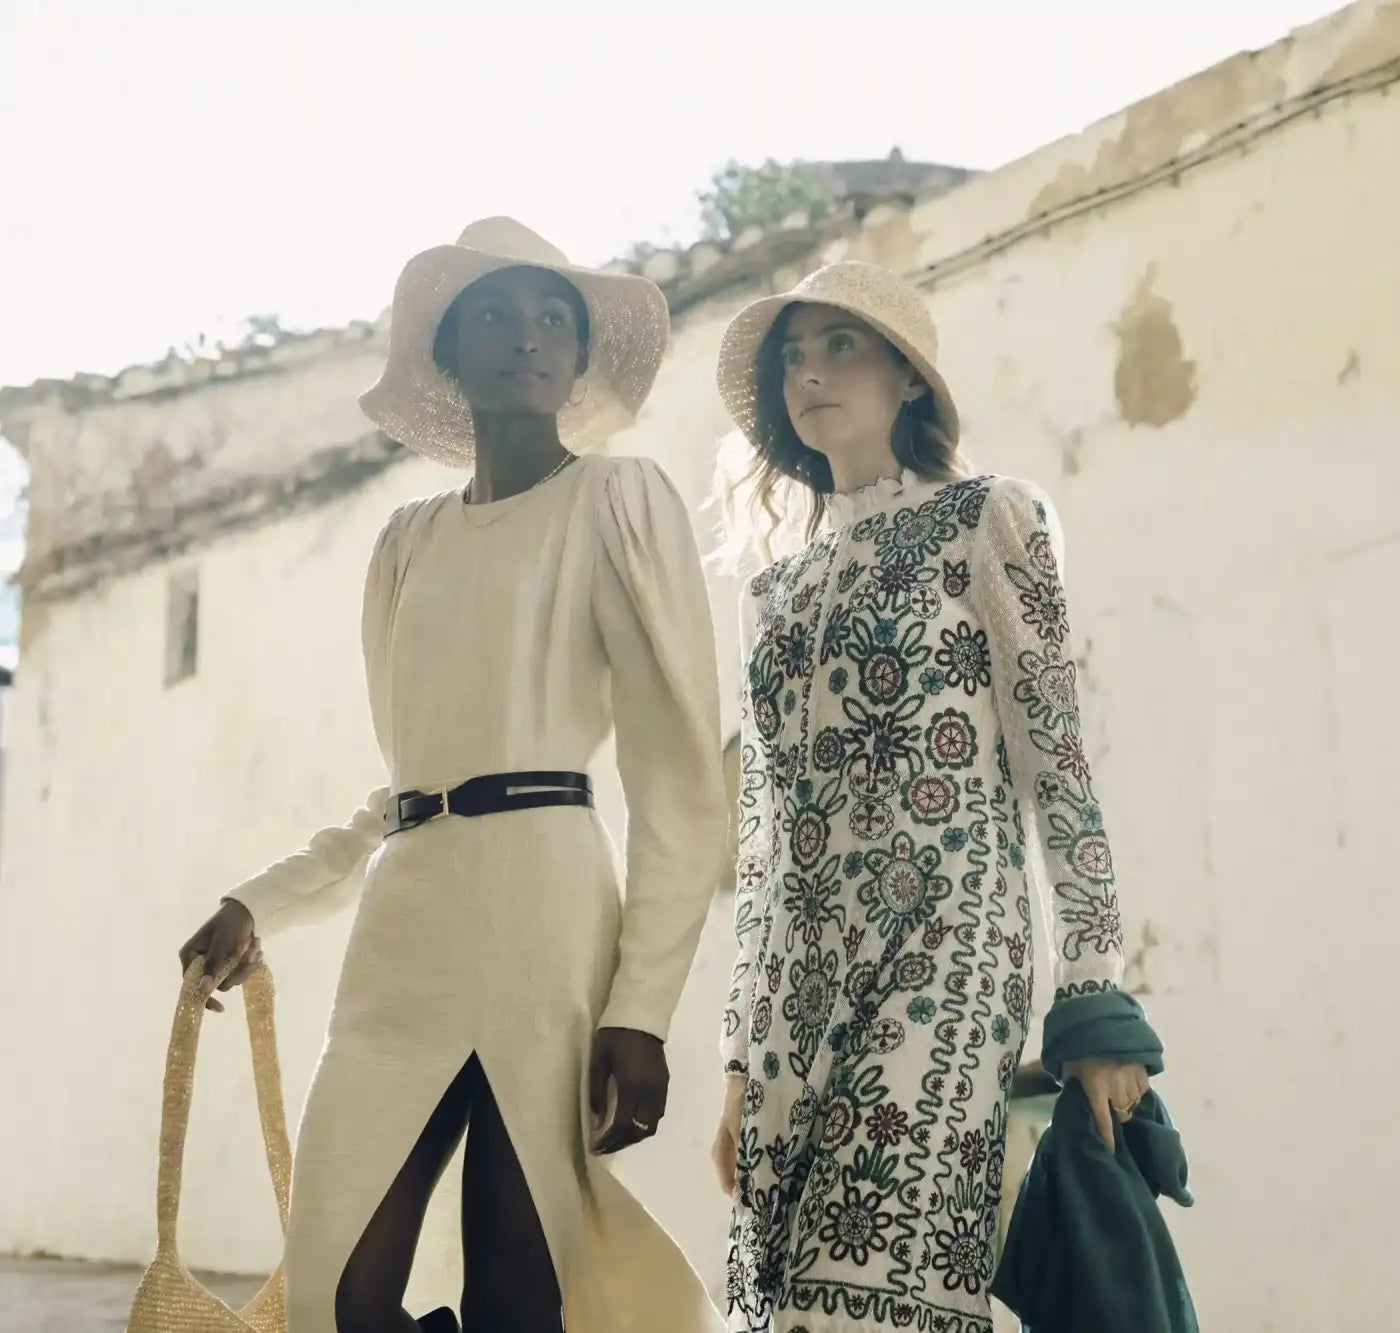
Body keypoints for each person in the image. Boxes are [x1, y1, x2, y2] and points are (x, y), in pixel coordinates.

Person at [175, 218, 728, 1333]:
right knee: (338, 1290)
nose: (525, 337)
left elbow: (676, 783)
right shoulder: (404, 544)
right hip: (406, 931)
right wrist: (260, 901)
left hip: (549, 925)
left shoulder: (616, 504)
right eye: (493, 314)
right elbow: (403, 791)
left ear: (576, 357)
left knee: (519, 1293)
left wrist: (642, 1010)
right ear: (445, 352)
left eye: (550, 319)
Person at [706, 260, 1157, 1333]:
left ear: (908, 377)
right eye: (793, 357)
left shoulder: (987, 519)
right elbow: (767, 839)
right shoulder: (773, 592)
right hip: (795, 999)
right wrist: (738, 1056)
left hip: (944, 956)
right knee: (788, 1308)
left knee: (875, 1293)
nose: (810, 372)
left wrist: (1095, 1002)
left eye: (839, 345)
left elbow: (1058, 766)